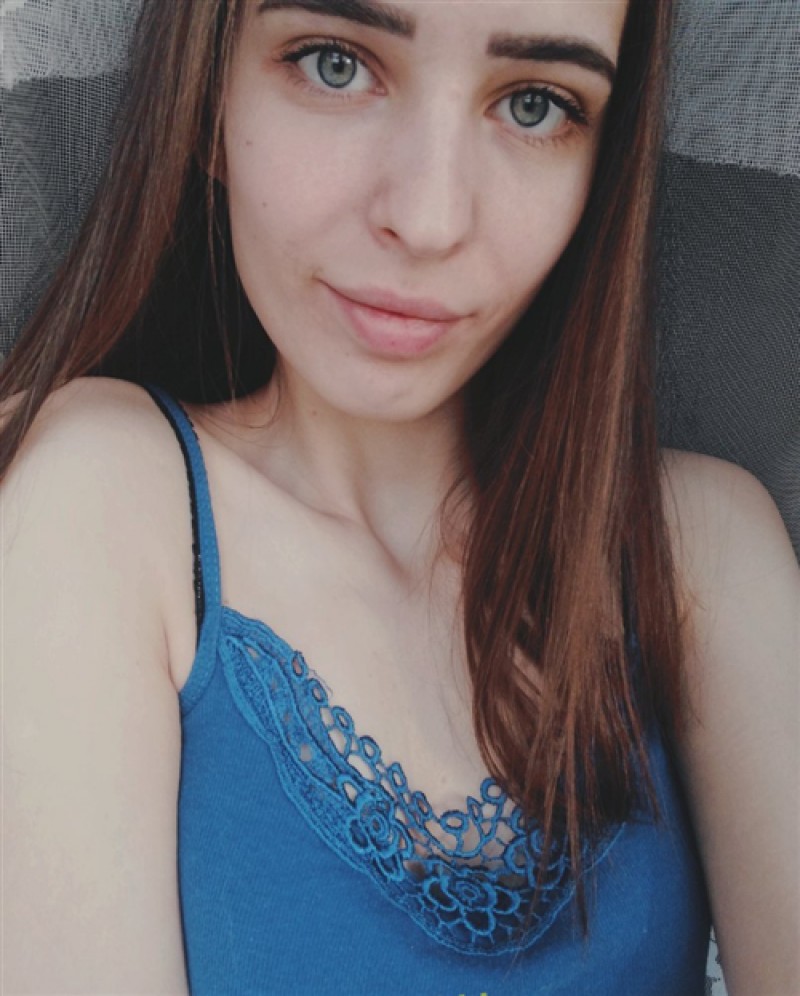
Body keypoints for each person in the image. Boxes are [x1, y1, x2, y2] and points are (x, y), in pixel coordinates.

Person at [2, 0, 797, 993]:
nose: (427, 219)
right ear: (205, 97)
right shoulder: (102, 495)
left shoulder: (697, 552)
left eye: (536, 104)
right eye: (334, 64)